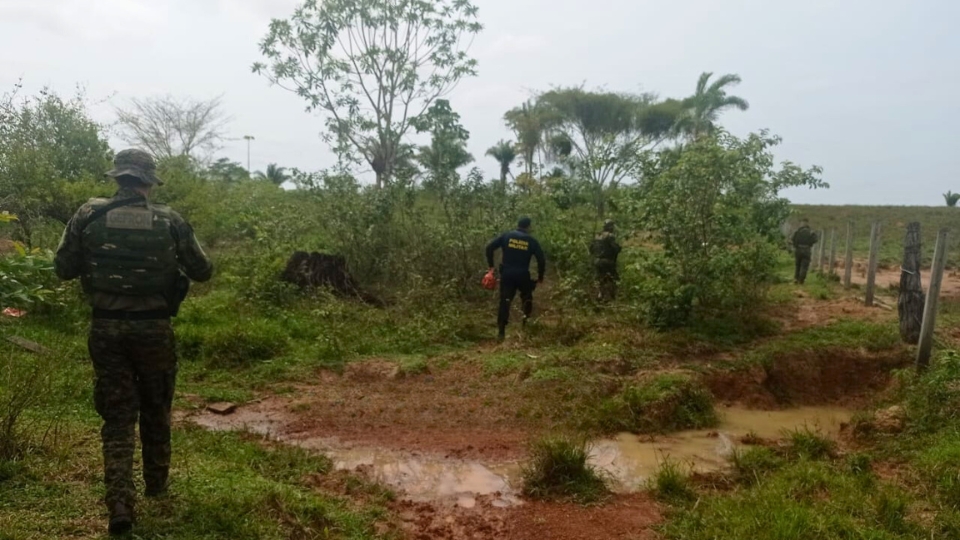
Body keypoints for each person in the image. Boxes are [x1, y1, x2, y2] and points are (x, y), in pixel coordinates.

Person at [54, 149, 213, 536]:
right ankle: (156, 485)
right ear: (148, 182)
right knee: (156, 405)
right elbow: (202, 271)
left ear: (118, 179)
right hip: (154, 328)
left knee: (118, 414)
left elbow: (63, 268)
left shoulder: (88, 214)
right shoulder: (170, 220)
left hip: (106, 329)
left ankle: (121, 503)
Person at [485, 216, 546, 341]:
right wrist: (540, 276)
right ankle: (525, 326)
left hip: (507, 274)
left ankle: (501, 332)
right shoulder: (531, 240)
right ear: (528, 226)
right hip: (523, 275)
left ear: (518, 225)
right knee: (527, 299)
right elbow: (541, 259)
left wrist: (491, 267)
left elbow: (489, 248)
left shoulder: (507, 236)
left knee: (505, 301)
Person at [590, 219, 622, 302]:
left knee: (600, 279)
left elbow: (591, 249)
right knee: (614, 278)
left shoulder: (597, 236)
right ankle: (613, 297)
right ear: (610, 227)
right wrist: (619, 248)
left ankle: (600, 295)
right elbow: (615, 248)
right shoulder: (610, 236)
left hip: (597, 261)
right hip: (608, 261)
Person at [790, 219, 819, 284]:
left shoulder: (797, 231)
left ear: (801, 223)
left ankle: (796, 279)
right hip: (807, 249)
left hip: (798, 249)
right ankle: (801, 280)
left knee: (798, 265)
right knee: (804, 266)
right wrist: (809, 243)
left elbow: (792, 239)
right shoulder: (811, 232)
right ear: (807, 223)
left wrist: (795, 245)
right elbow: (816, 239)